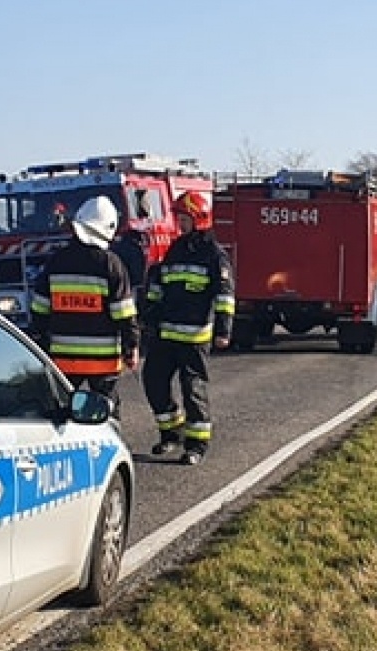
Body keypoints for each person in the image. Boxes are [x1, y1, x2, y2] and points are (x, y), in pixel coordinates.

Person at [141, 188, 234, 465]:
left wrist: (223, 330)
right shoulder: (176, 249)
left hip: (195, 336)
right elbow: (160, 285)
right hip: (165, 333)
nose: (180, 224)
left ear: (199, 219)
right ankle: (171, 433)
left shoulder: (214, 255)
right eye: (179, 219)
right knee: (154, 381)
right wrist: (150, 315)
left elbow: (225, 295)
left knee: (192, 389)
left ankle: (196, 445)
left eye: (184, 219)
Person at [29, 195, 140, 410]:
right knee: (105, 413)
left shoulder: (56, 261)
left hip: (64, 360)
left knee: (64, 412)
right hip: (103, 362)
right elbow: (124, 314)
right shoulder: (111, 264)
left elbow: (40, 309)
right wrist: (131, 347)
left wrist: (40, 341)